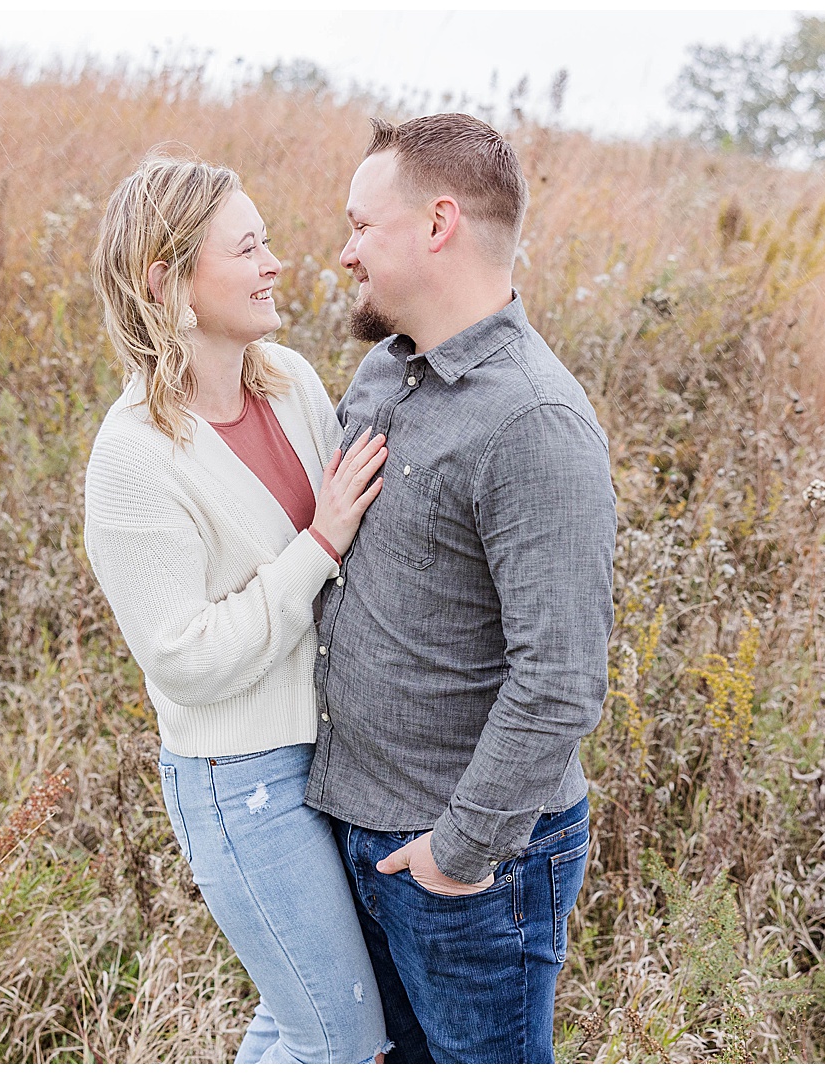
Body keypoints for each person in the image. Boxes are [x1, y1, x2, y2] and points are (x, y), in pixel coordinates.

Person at [306, 113, 618, 1063]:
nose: (347, 251)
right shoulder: (380, 372)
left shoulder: (535, 422)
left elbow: (560, 680)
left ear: (438, 224)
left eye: (363, 225)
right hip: (354, 827)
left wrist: (456, 854)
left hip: (467, 860)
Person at [84, 151, 391, 1064]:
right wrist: (317, 547)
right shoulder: (133, 457)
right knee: (339, 1043)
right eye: (247, 248)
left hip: (334, 756)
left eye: (267, 244)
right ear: (166, 279)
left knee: (298, 1020)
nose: (274, 264)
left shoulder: (290, 379)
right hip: (241, 784)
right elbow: (183, 657)